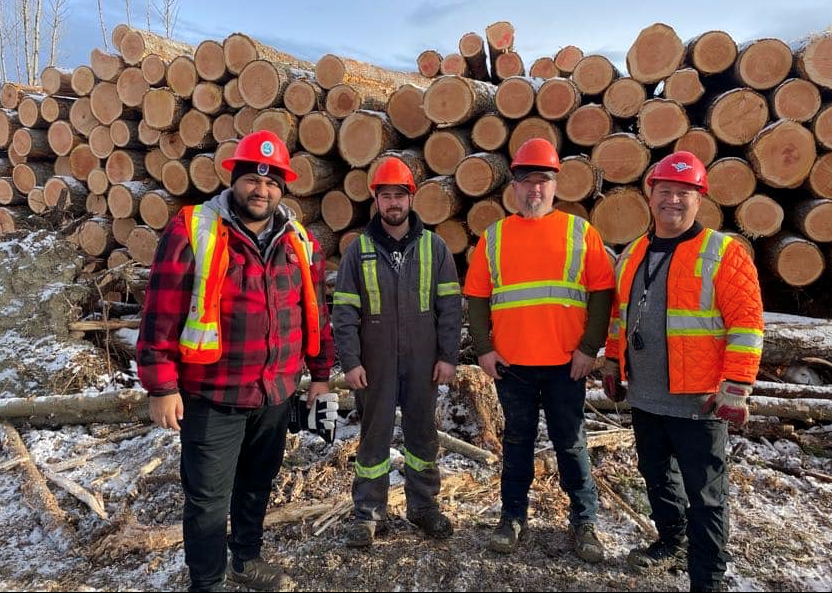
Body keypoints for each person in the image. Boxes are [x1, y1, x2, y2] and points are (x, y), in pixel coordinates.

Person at [137, 130, 336, 592]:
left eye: (271, 183)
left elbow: (315, 313)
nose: (260, 190)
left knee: (256, 484)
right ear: (235, 180)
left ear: (282, 188)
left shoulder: (299, 240)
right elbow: (161, 310)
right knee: (207, 499)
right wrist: (161, 386)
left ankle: (245, 560)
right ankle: (206, 583)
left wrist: (321, 376)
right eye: (252, 179)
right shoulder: (195, 228)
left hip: (275, 392)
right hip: (213, 393)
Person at [602, 151, 764, 592]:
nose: (673, 200)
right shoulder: (635, 251)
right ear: (649, 195)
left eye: (684, 193)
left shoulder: (724, 252)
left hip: (701, 400)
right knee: (656, 476)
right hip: (647, 396)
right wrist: (613, 361)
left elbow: (747, 326)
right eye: (665, 191)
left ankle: (707, 577)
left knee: (706, 495)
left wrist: (736, 387)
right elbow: (621, 316)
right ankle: (671, 541)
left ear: (699, 199)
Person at [463, 138, 616, 562]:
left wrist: (590, 348)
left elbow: (602, 293)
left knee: (571, 445)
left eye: (543, 181)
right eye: (527, 181)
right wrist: (483, 349)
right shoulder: (494, 237)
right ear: (513, 186)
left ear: (555, 185)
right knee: (517, 443)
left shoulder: (579, 232)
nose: (535, 190)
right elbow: (476, 296)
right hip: (513, 367)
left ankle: (584, 523)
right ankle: (512, 517)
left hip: (567, 365)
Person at [332, 156, 462, 547]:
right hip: (375, 364)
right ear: (376, 200)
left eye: (399, 196)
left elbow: (450, 308)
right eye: (386, 196)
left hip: (424, 362)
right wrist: (351, 362)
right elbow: (344, 312)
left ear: (411, 198)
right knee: (373, 439)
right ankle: (368, 514)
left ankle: (424, 508)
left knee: (423, 437)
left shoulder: (434, 248)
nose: (393, 203)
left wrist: (448, 356)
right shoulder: (359, 250)